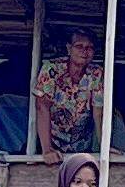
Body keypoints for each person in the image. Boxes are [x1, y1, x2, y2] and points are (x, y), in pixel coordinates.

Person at [25, 26, 104, 161]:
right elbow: (42, 107)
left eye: (89, 47)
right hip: (51, 141)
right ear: (69, 48)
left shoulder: (96, 73)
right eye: (79, 46)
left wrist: (105, 145)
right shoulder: (52, 69)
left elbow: (98, 112)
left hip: (82, 144)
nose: (84, 51)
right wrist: (47, 149)